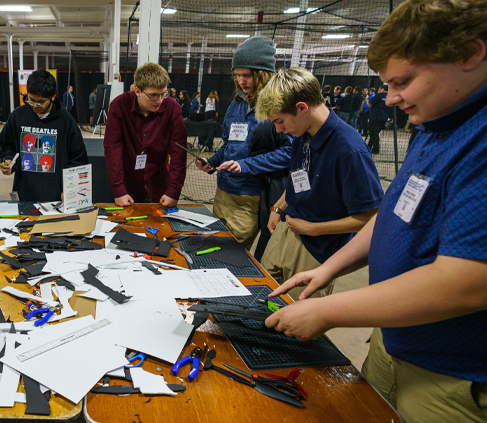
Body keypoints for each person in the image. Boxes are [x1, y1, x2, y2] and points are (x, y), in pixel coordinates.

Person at [264, 2, 487, 423]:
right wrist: (328, 269)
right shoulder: (434, 123)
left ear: (470, 54)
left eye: (403, 81)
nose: (390, 98)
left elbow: (467, 282)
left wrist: (329, 311)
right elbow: (391, 216)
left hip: (452, 372)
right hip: (395, 335)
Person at [255, 67, 384, 300]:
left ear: (302, 107)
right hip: (286, 230)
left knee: (297, 313)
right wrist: (278, 207)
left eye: (280, 121)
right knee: (262, 295)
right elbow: (299, 179)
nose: (279, 129)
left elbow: (371, 218)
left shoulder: (349, 150)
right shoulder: (302, 134)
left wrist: (313, 229)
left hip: (316, 248)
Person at [196, 36, 291, 251]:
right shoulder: (236, 104)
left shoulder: (278, 106)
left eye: (246, 75)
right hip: (224, 190)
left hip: (251, 194)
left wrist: (246, 165)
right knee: (215, 244)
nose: (241, 81)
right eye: (237, 75)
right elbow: (229, 144)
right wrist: (211, 162)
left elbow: (290, 152)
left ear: (263, 74)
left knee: (232, 251)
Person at [103, 62, 188, 207]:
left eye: (163, 94)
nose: (159, 101)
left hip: (159, 186)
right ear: (137, 91)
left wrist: (174, 191)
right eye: (153, 95)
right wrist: (118, 189)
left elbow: (179, 153)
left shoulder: (172, 108)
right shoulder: (119, 106)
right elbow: (112, 148)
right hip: (128, 186)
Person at [0, 69, 88, 201]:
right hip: (25, 195)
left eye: (41, 102)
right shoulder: (17, 116)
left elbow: (78, 159)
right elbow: (7, 145)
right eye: (31, 100)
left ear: (53, 97)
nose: (35, 105)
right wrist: (8, 159)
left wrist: (70, 189)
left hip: (57, 198)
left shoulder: (66, 121)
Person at [367, 85, 390, 154]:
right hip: (384, 117)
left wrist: (367, 101)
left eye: (379, 89)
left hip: (375, 116)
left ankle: (376, 149)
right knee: (375, 132)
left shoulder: (378, 95)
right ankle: (368, 146)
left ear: (382, 89)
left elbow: (370, 105)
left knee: (374, 133)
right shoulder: (389, 96)